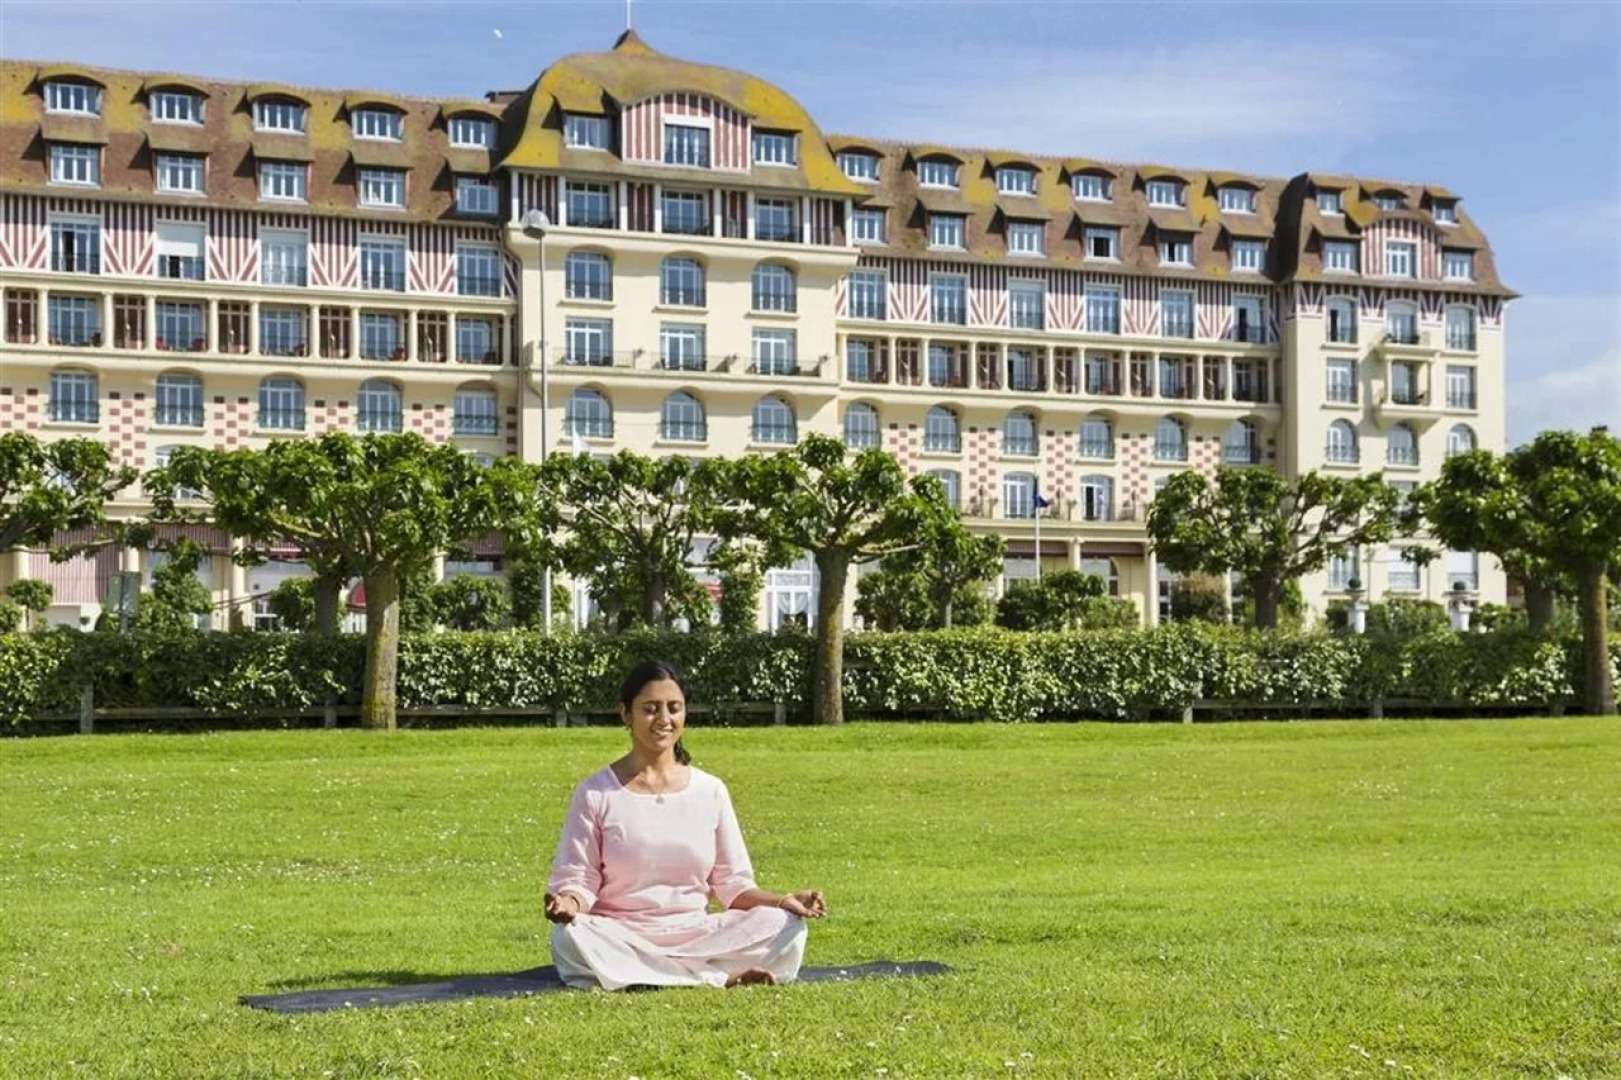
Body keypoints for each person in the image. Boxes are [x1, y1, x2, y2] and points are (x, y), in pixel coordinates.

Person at [544, 660, 827, 990]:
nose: (664, 720)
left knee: (785, 925)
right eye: (650, 709)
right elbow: (581, 877)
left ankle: (658, 976)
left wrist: (782, 900)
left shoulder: (710, 791)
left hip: (696, 933)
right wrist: (569, 904)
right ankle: (715, 978)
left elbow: (733, 883)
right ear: (625, 714)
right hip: (621, 933)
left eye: (673, 708)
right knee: (570, 937)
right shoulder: (595, 792)